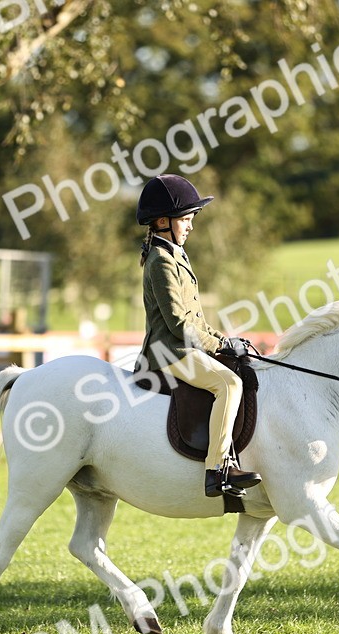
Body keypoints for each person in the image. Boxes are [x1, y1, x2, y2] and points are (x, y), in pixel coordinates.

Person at [135, 174, 262, 498]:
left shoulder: (176, 254)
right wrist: (219, 345)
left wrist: (228, 340)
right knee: (228, 384)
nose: (191, 225)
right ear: (163, 221)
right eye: (186, 219)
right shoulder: (161, 261)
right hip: (169, 352)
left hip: (185, 347)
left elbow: (198, 319)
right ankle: (217, 469)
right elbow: (179, 323)